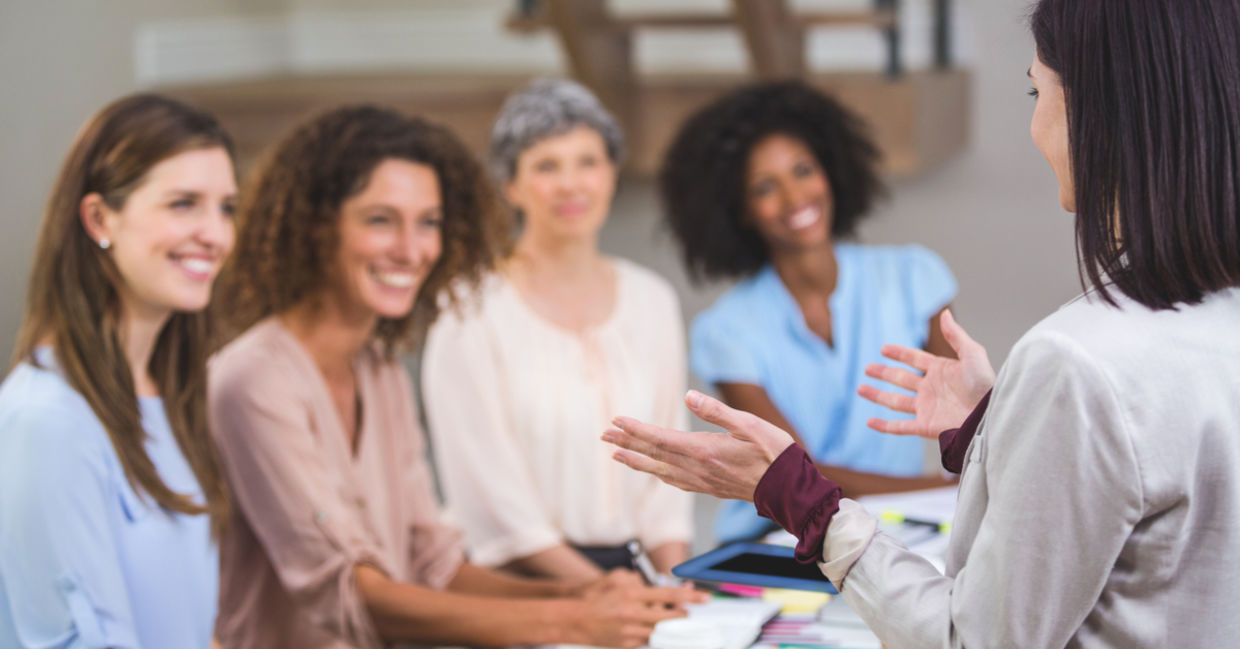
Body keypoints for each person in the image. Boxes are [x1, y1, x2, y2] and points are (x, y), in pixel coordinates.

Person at [605, 0, 1240, 646]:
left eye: (1034, 90)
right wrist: (997, 430)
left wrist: (809, 503)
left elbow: (971, 638)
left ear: (1100, 112)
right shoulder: (1220, 321)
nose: (1033, 124)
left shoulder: (1074, 361)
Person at [208, 104, 700, 649]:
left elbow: (433, 564)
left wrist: (589, 598)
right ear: (318, 226)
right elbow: (349, 592)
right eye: (380, 219)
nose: (411, 248)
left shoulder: (381, 373)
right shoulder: (252, 382)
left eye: (429, 223)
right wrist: (576, 621)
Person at [658, 80, 958, 544]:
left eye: (803, 170)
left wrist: (961, 489)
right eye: (765, 187)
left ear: (830, 171)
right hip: (778, 544)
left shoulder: (914, 277)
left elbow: (964, 422)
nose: (795, 196)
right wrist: (941, 491)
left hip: (896, 532)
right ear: (740, 211)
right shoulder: (726, 331)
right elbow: (796, 476)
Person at [421, 79, 693, 580]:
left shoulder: (652, 299)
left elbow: (667, 472)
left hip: (631, 581)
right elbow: (491, 499)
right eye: (546, 166)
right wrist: (604, 596)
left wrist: (680, 590)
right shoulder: (468, 309)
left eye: (587, 162)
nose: (571, 184)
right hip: (514, 583)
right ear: (512, 185)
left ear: (612, 173)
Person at [0, 94, 236, 648]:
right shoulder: (47, 419)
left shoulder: (171, 399)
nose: (215, 234)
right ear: (99, 218)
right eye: (183, 204)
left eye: (226, 207)